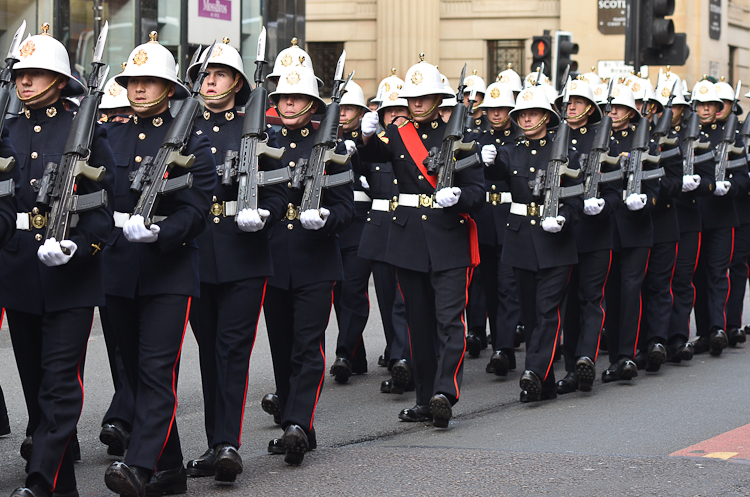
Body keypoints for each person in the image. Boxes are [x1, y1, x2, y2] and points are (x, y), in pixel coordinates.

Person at [2, 23, 115, 497]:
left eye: (36, 73)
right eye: (21, 73)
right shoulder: (5, 129)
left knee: (59, 386)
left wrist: (79, 245)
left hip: (70, 273)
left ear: (59, 80)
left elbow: (105, 208)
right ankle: (59, 484)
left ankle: (38, 481)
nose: (25, 81)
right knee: (35, 387)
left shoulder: (86, 129)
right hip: (20, 270)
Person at [101, 32, 216, 497]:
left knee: (155, 368)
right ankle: (170, 467)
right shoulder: (108, 135)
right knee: (130, 368)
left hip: (168, 269)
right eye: (133, 82)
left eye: (150, 82)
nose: (140, 89)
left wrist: (161, 233)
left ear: (170, 89)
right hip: (118, 268)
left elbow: (197, 206)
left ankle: (140, 465)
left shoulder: (193, 139)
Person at [360, 55, 484, 427]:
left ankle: (445, 392)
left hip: (447, 238)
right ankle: (424, 398)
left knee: (449, 321)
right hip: (409, 240)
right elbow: (369, 156)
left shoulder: (460, 139)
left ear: (438, 99)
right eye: (411, 97)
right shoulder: (398, 134)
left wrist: (458, 198)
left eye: (424, 97)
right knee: (419, 324)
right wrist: (364, 134)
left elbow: (477, 191)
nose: (416, 103)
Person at [183, 38, 287, 483]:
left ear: (238, 82)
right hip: (196, 249)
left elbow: (281, 191)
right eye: (205, 74)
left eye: (220, 74)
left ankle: (229, 442)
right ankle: (213, 443)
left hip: (244, 252)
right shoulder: (182, 126)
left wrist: (265, 214)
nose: (210, 81)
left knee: (233, 349)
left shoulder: (259, 129)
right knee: (210, 351)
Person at [262, 65, 355, 465]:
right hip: (273, 258)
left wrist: (326, 220)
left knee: (307, 346)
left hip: (315, 259)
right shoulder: (266, 142)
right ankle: (296, 424)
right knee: (282, 349)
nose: (287, 103)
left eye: (295, 98)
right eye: (282, 98)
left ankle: (299, 421)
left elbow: (347, 208)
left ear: (312, 104)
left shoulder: (330, 147)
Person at [482, 85, 583, 402]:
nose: (525, 119)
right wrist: (488, 161)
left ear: (546, 117)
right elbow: (498, 172)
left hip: (555, 239)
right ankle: (545, 382)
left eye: (532, 113)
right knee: (529, 313)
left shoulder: (565, 151)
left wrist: (563, 216)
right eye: (521, 114)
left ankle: (535, 371)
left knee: (547, 310)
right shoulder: (511, 150)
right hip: (520, 237)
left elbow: (576, 199)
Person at [555, 77, 619, 393]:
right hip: (566, 232)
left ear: (590, 107)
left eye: (578, 103)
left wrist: (603, 203)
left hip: (595, 232)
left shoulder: (603, 138)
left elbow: (618, 189)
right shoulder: (557, 136)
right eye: (569, 102)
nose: (571, 107)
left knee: (591, 299)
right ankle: (570, 369)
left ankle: (586, 359)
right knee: (569, 304)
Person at [360, 73, 413, 394]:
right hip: (381, 230)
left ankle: (404, 357)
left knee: (406, 299)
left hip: (408, 227)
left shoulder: (414, 144)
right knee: (387, 297)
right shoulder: (375, 146)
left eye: (399, 109)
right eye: (388, 111)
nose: (393, 115)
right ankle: (396, 353)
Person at [602, 84, 659, 382]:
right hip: (607, 226)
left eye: (618, 108)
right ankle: (615, 355)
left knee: (630, 291)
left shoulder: (644, 139)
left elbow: (656, 187)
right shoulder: (598, 140)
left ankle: (628, 354)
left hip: (636, 227)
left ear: (630, 112)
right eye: (609, 108)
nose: (612, 112)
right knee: (610, 293)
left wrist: (645, 200)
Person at [690, 77, 749, 356]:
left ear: (717, 107)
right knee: (698, 276)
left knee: (717, 273)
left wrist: (730, 186)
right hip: (694, 216)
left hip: (722, 215)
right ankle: (703, 331)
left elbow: (742, 176)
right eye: (700, 105)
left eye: (710, 105)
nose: (705, 110)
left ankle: (718, 327)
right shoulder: (686, 135)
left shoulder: (731, 136)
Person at [474, 81, 522, 376]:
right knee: (489, 288)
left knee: (508, 287)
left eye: (501, 108)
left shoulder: (519, 139)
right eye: (491, 108)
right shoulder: (477, 139)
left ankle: (505, 349)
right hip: (484, 220)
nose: (495, 113)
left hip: (509, 218)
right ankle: (499, 345)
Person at [330, 80, 375, 383]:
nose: (343, 114)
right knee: (337, 292)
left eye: (350, 109)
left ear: (360, 112)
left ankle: (344, 353)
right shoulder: (324, 138)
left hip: (362, 221)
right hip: (335, 222)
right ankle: (356, 356)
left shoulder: (370, 140)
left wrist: (361, 151)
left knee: (354, 289)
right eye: (340, 108)